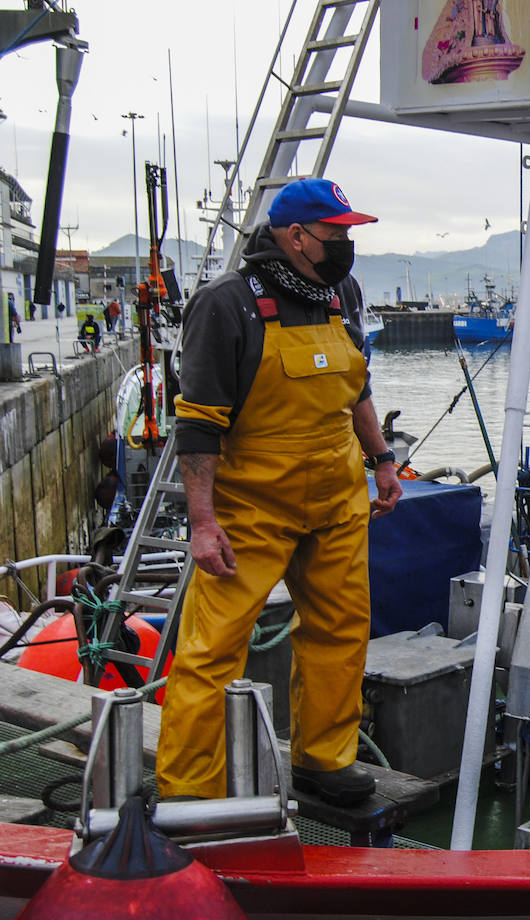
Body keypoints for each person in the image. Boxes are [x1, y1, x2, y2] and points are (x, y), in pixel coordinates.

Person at [157, 178, 402, 805]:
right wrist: (203, 523)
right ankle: (188, 788)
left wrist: (382, 461)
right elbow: (199, 425)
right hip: (251, 510)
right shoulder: (226, 304)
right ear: (295, 236)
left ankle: (323, 759)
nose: (346, 244)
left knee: (341, 630)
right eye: (336, 233)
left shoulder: (341, 291)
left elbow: (358, 389)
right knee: (212, 647)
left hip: (337, 499)